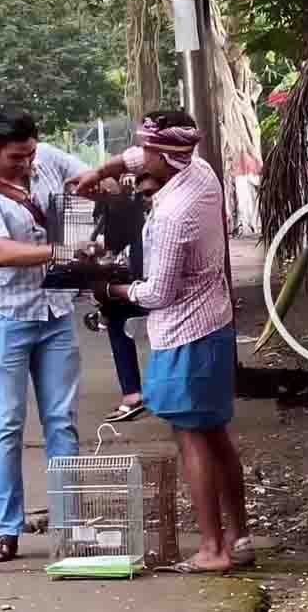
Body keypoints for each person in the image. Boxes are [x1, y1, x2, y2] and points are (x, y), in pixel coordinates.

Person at [70, 110, 251, 575]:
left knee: (190, 437)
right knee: (215, 433)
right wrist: (103, 171)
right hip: (215, 323)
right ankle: (240, 537)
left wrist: (111, 290)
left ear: (167, 158)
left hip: (183, 333)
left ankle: (212, 549)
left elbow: (158, 294)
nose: (140, 156)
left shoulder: (173, 215)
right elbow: (136, 157)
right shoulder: (200, 170)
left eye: (149, 149)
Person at [0, 106, 91, 563]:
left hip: (54, 312)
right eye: (17, 157)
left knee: (62, 421)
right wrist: (62, 250)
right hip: (5, 315)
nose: (26, 164)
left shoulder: (49, 160)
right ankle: (6, 530)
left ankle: (72, 525)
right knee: (7, 426)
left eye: (30, 154)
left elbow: (90, 180)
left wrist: (96, 198)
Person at [91, 176, 149, 424]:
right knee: (115, 318)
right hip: (135, 275)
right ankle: (133, 394)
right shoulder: (111, 206)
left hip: (148, 276)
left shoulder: (128, 202)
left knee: (118, 317)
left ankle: (138, 394)